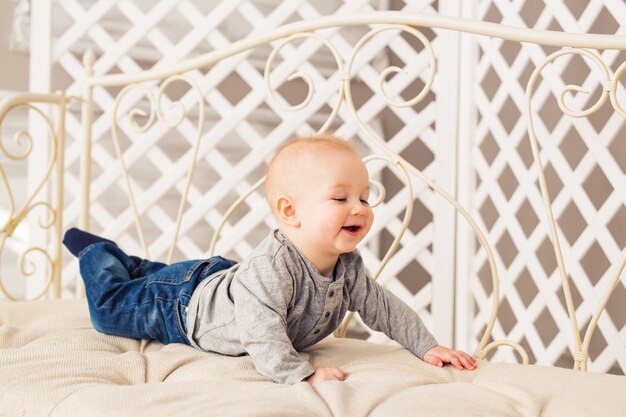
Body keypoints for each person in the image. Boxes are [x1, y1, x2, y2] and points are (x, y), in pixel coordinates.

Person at [63, 134, 476, 385]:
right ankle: (97, 252)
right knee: (109, 308)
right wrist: (300, 373)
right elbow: (261, 332)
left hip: (222, 281)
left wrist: (427, 346)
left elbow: (382, 308)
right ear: (290, 211)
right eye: (341, 198)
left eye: (365, 198)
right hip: (184, 308)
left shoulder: (347, 266)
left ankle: (134, 265)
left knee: (156, 277)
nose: (360, 208)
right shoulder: (276, 266)